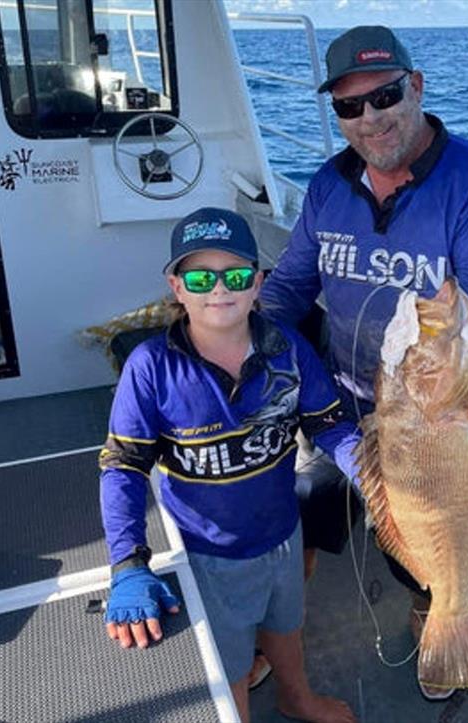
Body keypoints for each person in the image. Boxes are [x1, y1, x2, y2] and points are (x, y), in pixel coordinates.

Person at [260, 25, 468, 700]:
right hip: (335, 401)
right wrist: (232, 343)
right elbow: (291, 285)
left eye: (383, 97)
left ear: (415, 87)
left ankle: (438, 616)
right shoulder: (328, 185)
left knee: (420, 543)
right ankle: (280, 634)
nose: (369, 118)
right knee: (298, 514)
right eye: (349, 106)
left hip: (427, 410)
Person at [99, 207, 358, 723]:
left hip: (283, 534)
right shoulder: (150, 367)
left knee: (287, 625)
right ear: (177, 286)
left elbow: (329, 426)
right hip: (206, 554)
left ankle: (295, 697)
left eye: (236, 275)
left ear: (258, 283)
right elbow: (123, 467)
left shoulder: (289, 349)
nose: (220, 289)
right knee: (231, 661)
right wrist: (128, 563)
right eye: (200, 277)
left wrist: (368, 466)